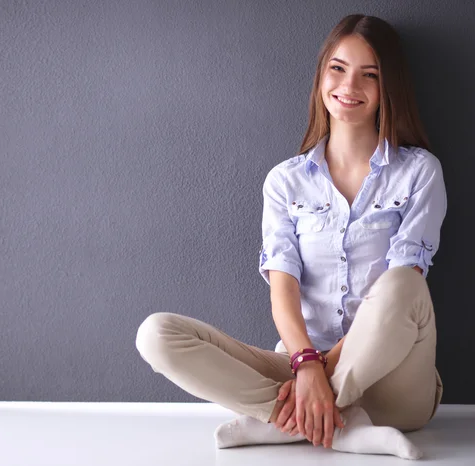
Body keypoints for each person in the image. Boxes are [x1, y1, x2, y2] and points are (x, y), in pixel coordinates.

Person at [135, 14, 446, 460]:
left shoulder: (419, 172)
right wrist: (303, 364)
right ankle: (337, 427)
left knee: (402, 284)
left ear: (388, 86)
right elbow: (283, 286)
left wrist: (318, 376)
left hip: (395, 383)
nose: (349, 84)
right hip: (302, 365)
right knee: (156, 334)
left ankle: (293, 419)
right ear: (322, 75)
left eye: (369, 74)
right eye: (338, 68)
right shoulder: (285, 182)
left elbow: (406, 282)